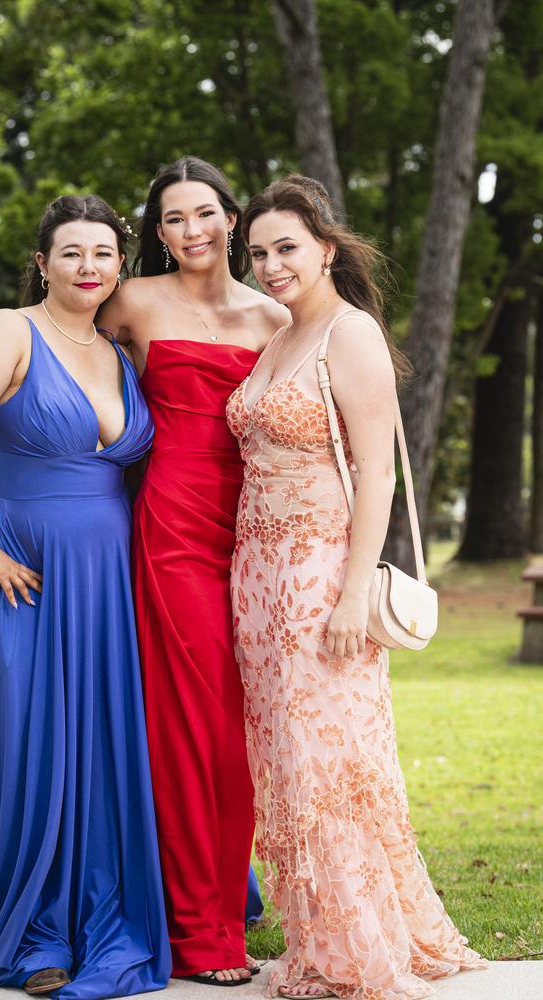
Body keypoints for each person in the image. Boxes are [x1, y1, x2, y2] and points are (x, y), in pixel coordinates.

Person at [227, 175, 487, 1000]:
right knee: (283, 765)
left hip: (318, 570)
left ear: (326, 249)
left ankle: (355, 947)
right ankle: (317, 933)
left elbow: (377, 471)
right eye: (258, 252)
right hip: (255, 576)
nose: (269, 265)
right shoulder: (277, 340)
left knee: (328, 762)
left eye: (286, 248)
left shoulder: (352, 333)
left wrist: (346, 596)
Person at [0, 195, 171, 998]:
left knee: (97, 742)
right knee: (25, 741)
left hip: (106, 578)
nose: (89, 267)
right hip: (17, 570)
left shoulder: (116, 353)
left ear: (119, 264)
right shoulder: (8, 329)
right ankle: (30, 932)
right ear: (42, 263)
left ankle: (92, 902)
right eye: (71, 253)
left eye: (104, 253)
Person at [97, 157, 286, 986]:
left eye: (203, 213)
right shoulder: (133, 301)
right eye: (172, 219)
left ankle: (217, 900)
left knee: (238, 737)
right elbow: (63, 357)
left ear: (233, 219)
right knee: (192, 726)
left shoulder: (276, 316)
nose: (191, 232)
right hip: (171, 526)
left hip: (257, 532)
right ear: (157, 231)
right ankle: (199, 933)